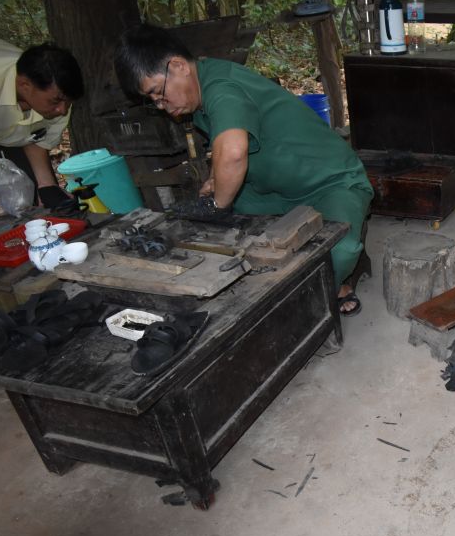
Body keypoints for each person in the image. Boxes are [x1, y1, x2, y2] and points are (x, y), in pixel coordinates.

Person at [113, 24, 372, 317]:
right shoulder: (203, 84)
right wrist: (215, 178)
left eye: (158, 93)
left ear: (178, 66)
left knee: (338, 250)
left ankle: (331, 290)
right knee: (222, 239)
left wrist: (216, 206)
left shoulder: (221, 88)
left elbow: (234, 153)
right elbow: (224, 143)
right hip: (269, 191)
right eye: (153, 101)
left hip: (330, 182)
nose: (161, 105)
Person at [0, 32, 84, 208]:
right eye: (56, 102)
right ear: (25, 86)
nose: (63, 110)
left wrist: (46, 186)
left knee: (34, 194)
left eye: (68, 102)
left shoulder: (58, 98)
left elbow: (38, 139)